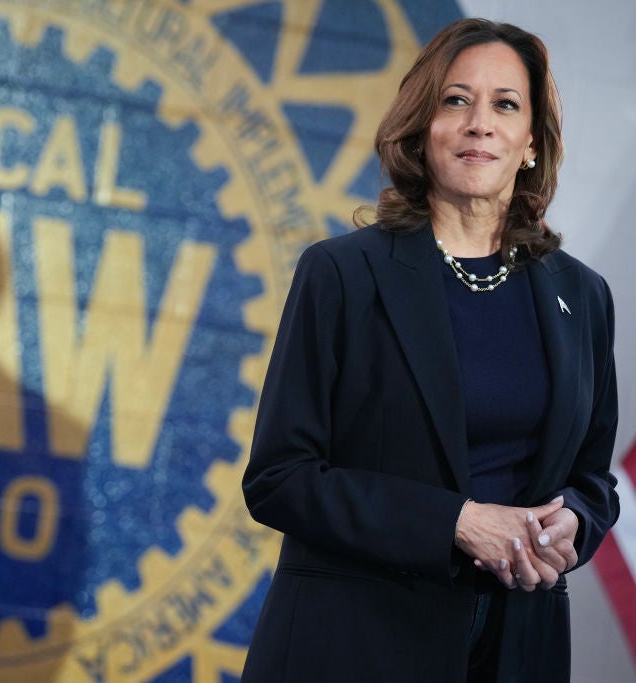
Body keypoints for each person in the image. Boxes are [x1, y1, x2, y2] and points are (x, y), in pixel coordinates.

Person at [240, 17, 619, 683]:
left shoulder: (582, 296)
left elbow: (592, 479)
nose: (481, 122)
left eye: (506, 104)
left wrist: (573, 527)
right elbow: (280, 477)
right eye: (456, 100)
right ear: (423, 126)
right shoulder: (342, 275)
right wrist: (458, 523)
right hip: (356, 643)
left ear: (531, 141)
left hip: (516, 648)